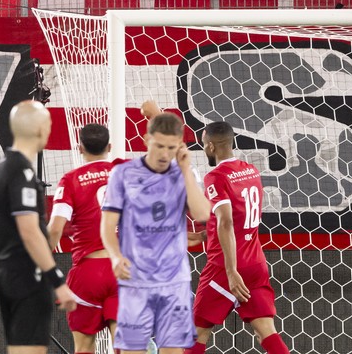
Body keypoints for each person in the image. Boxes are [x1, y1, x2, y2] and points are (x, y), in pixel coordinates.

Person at [101, 111, 213, 354]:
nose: (164, 154)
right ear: (145, 140)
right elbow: (107, 225)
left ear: (180, 146)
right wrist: (114, 256)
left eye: (171, 147)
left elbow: (203, 214)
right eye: (159, 146)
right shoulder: (124, 174)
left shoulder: (185, 174)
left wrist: (185, 170)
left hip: (174, 282)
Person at [191, 120, 292, 354]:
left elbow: (226, 222)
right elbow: (239, 219)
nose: (204, 148)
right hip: (255, 262)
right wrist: (206, 234)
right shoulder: (251, 170)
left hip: (224, 267)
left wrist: (230, 271)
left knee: (196, 334)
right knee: (266, 331)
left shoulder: (215, 177)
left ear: (211, 147)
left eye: (204, 144)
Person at [0, 100, 77, 354]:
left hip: (8, 272)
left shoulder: (1, 169)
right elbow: (29, 232)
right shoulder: (22, 174)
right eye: (48, 124)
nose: (50, 130)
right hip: (27, 275)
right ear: (40, 129)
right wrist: (57, 279)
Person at [48, 123, 125, 354]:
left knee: (84, 347)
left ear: (79, 147)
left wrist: (39, 265)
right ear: (110, 146)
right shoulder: (125, 172)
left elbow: (55, 229)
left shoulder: (70, 180)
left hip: (88, 273)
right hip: (123, 270)